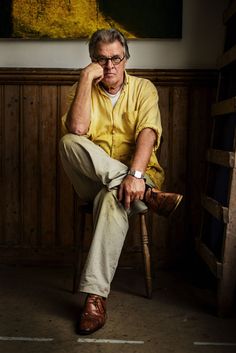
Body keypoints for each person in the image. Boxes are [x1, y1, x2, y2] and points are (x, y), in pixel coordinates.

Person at [59, 28, 183, 335]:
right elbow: (77, 128)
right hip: (93, 179)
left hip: (140, 176)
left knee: (114, 199)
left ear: (125, 58)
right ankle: (152, 196)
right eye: (101, 59)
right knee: (68, 142)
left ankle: (94, 299)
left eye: (116, 58)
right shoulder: (81, 88)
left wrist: (135, 175)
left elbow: (148, 134)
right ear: (92, 61)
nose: (110, 65)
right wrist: (87, 79)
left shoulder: (144, 88)